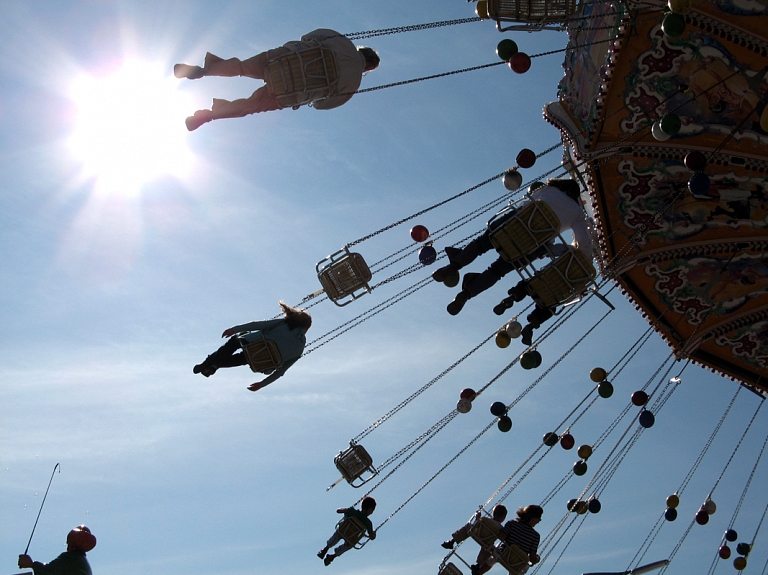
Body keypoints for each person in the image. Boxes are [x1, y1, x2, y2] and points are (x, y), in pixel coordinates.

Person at [435, 179, 593, 316]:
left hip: (511, 226)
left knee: (480, 244)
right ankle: (465, 294)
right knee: (496, 271)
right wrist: (586, 262)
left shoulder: (549, 189)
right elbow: (584, 242)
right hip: (529, 246)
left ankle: (452, 267)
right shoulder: (577, 213)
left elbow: (527, 203)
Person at [175, 29, 380, 130]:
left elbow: (307, 37)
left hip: (281, 61)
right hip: (289, 91)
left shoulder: (341, 40)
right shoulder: (353, 85)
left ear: (362, 49)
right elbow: (322, 105)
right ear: (368, 67)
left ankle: (203, 71)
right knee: (250, 106)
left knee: (242, 67)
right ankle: (209, 115)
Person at [193, 301, 311, 392]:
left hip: (251, 343)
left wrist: (234, 329)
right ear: (305, 328)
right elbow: (280, 372)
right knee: (243, 359)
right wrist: (261, 384)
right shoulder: (299, 349)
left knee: (235, 341)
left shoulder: (283, 324)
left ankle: (208, 363)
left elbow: (257, 325)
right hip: (261, 361)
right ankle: (213, 366)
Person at [473, 505, 542, 575]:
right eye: (539, 518)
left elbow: (501, 536)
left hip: (503, 553)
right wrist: (536, 559)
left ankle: (479, 572)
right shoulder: (536, 536)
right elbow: (532, 559)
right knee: (520, 569)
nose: (539, 521)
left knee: (493, 556)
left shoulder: (512, 523)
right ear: (533, 518)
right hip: (517, 562)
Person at [441, 504, 508, 568]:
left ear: (493, 513)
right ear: (503, 517)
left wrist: (477, 518)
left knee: (467, 527)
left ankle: (452, 541)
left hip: (477, 534)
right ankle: (478, 565)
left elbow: (476, 524)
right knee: (489, 548)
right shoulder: (500, 528)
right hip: (487, 541)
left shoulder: (485, 520)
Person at [317, 497, 377, 566]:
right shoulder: (368, 523)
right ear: (370, 509)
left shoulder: (352, 511)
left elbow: (338, 510)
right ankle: (333, 556)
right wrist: (374, 534)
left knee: (337, 535)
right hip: (351, 538)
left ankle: (325, 549)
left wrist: (346, 510)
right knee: (348, 545)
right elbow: (371, 537)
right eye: (373, 510)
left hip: (343, 531)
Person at [18, 525, 95, 575]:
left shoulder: (70, 558)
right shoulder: (83, 563)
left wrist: (31, 564)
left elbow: (49, 572)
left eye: (68, 544)